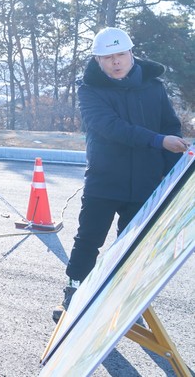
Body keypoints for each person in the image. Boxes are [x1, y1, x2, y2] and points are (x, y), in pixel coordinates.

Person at [52, 27, 187, 322]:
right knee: (88, 239)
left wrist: (170, 174)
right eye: (108, 57)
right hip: (104, 179)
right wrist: (157, 140)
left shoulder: (153, 87)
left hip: (145, 182)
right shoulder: (89, 90)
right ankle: (73, 292)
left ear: (131, 54)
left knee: (134, 245)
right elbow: (110, 127)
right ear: (98, 60)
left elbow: (169, 126)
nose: (116, 62)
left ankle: (124, 300)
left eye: (121, 55)